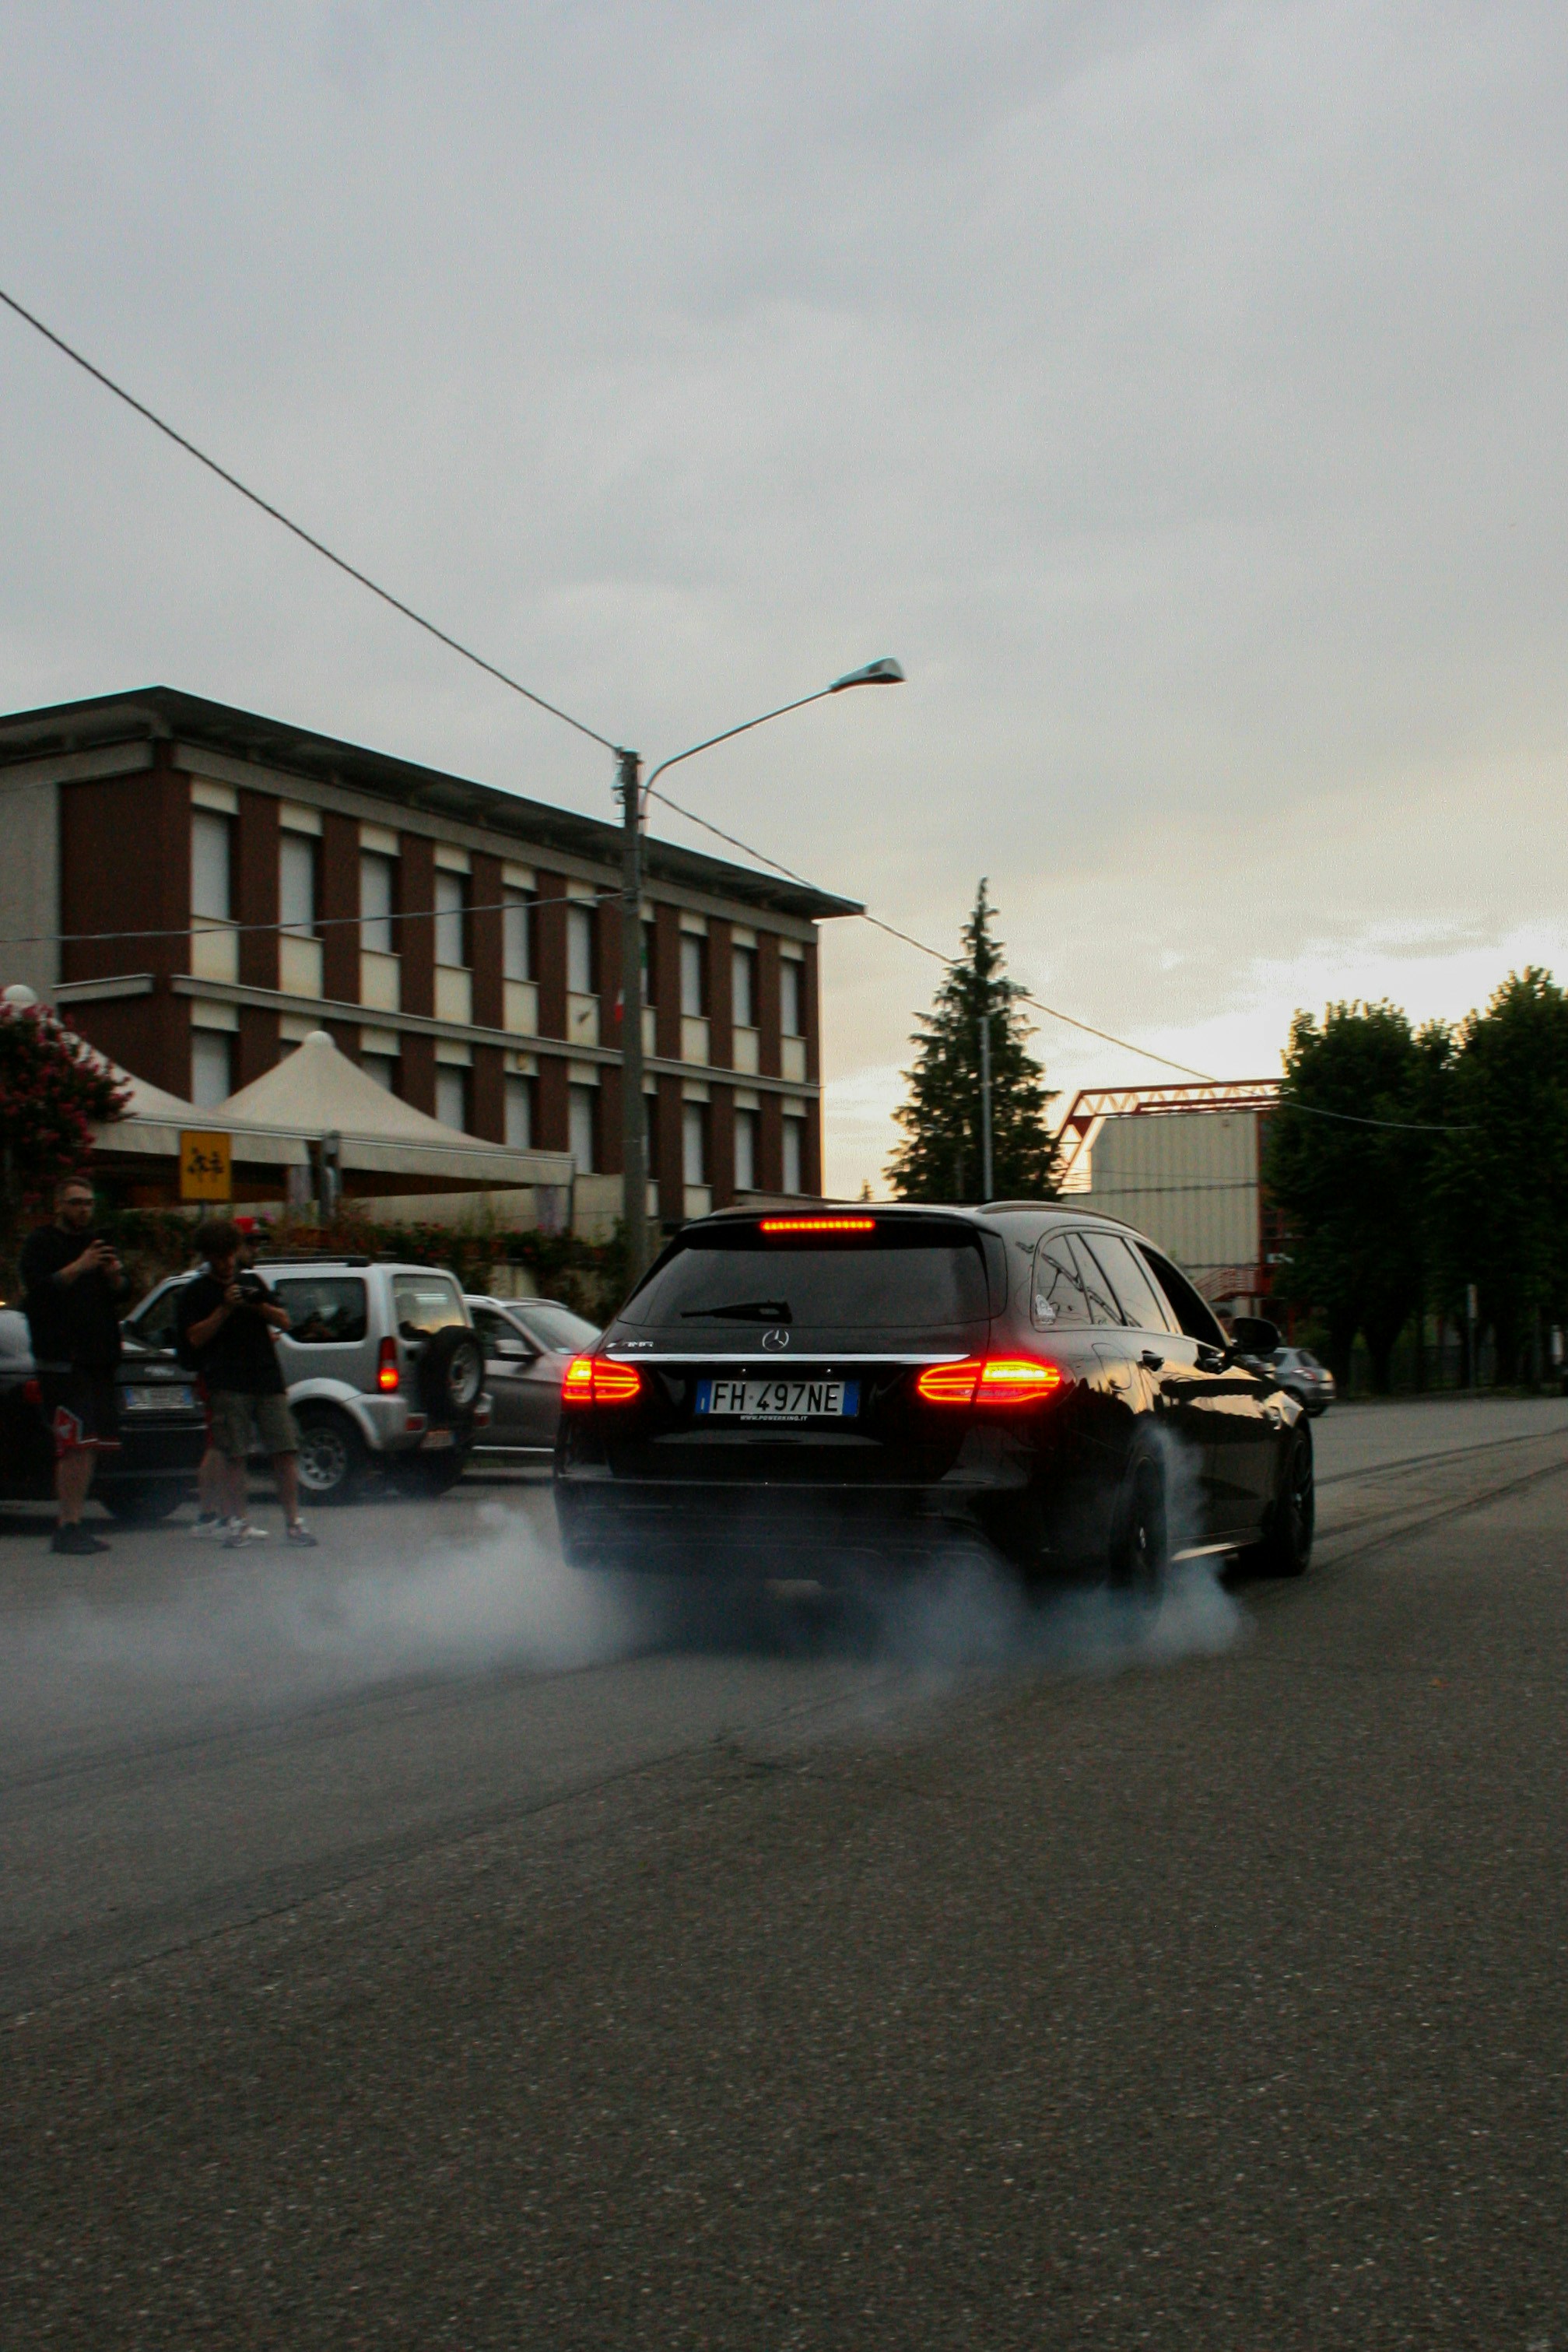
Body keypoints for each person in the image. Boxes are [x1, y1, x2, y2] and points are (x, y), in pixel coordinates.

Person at [175, 1220, 317, 1549]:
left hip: (267, 1378)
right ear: (208, 1257)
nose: (227, 1264)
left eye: (230, 1255)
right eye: (219, 1258)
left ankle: (294, 1523)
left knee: (285, 1450)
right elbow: (194, 1338)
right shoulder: (195, 1293)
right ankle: (238, 1523)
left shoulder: (251, 1281)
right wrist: (225, 1308)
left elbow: (285, 1320)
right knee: (234, 1455)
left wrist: (257, 1304)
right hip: (226, 1381)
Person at [19, 1173, 130, 1555]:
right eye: (76, 1202)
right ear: (59, 1205)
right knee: (73, 1444)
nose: (84, 1210)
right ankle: (66, 1526)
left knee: (91, 1443)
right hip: (62, 1361)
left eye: (89, 1203)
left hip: (99, 1359)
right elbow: (38, 1292)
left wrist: (114, 1277)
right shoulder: (41, 1243)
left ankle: (76, 1521)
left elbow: (121, 1294)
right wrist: (80, 1265)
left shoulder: (97, 1244)